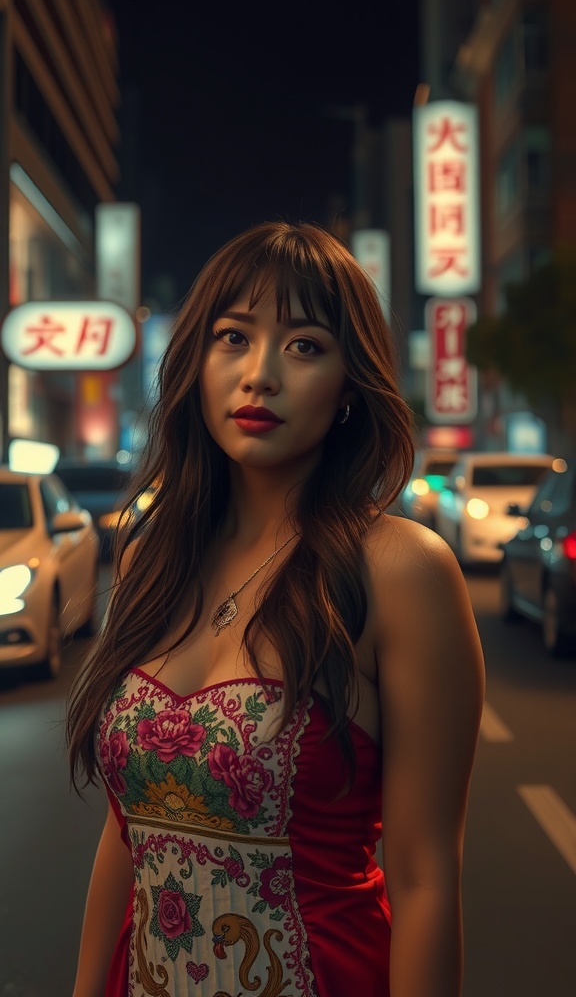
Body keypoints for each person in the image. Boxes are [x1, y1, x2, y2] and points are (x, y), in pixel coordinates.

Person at [67, 221, 485, 997]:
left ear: (351, 385)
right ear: (196, 361)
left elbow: (427, 878)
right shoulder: (149, 560)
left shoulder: (400, 570)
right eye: (233, 337)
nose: (260, 375)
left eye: (304, 346)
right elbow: (127, 836)